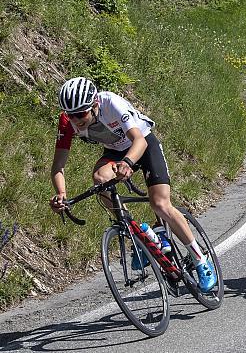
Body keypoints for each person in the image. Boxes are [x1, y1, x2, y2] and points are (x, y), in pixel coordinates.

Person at [50, 77, 217, 292]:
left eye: (81, 114)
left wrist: (128, 162)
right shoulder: (68, 122)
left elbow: (139, 140)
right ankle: (141, 236)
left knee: (160, 204)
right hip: (115, 152)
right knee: (100, 179)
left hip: (144, 146)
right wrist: (61, 194)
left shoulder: (111, 104)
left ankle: (201, 259)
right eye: (71, 115)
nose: (76, 120)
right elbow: (58, 166)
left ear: (95, 105)